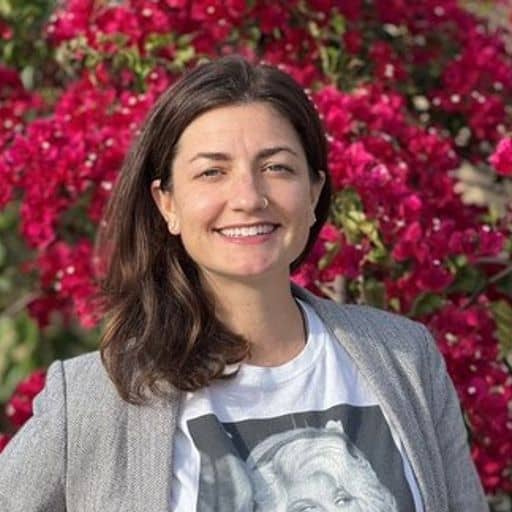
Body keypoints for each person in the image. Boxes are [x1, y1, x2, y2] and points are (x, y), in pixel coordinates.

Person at [0, 55, 487, 511]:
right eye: (212, 171)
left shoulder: (404, 356)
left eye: (276, 167)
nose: (248, 197)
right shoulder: (96, 397)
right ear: (167, 203)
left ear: (314, 192)